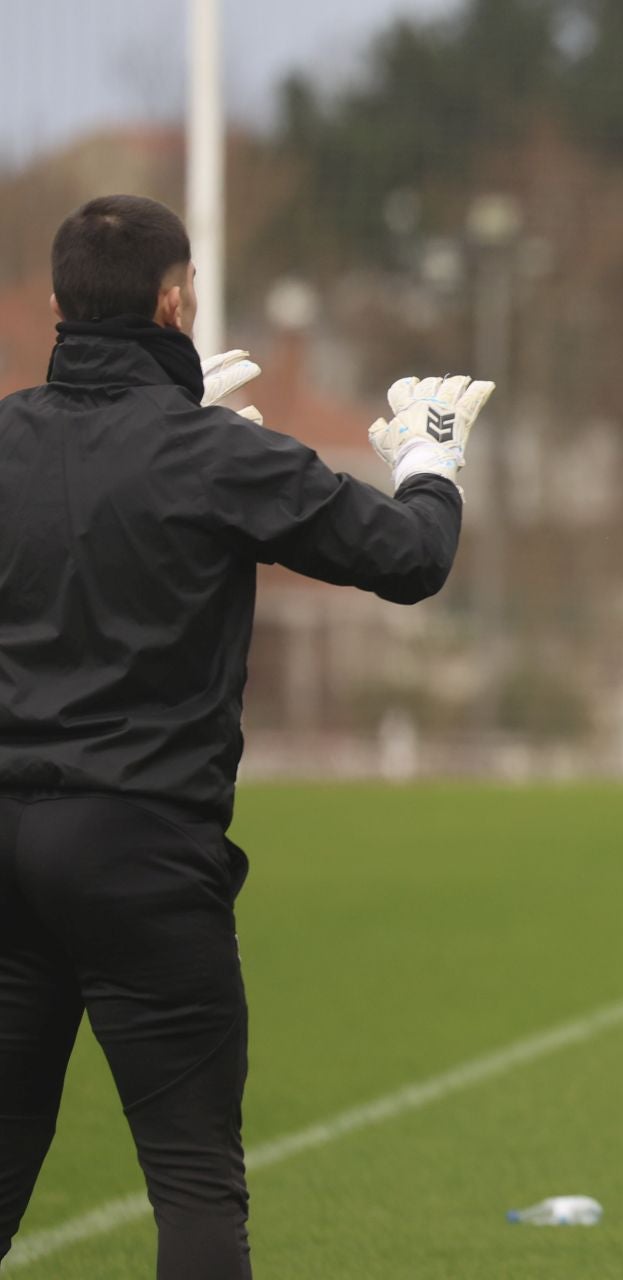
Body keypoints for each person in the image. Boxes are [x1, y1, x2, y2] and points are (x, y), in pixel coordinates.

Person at [0, 194, 494, 1279]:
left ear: (53, 304)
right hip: (140, 849)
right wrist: (432, 460)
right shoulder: (210, 453)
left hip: (6, 842)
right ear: (176, 300)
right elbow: (410, 556)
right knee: (193, 1180)